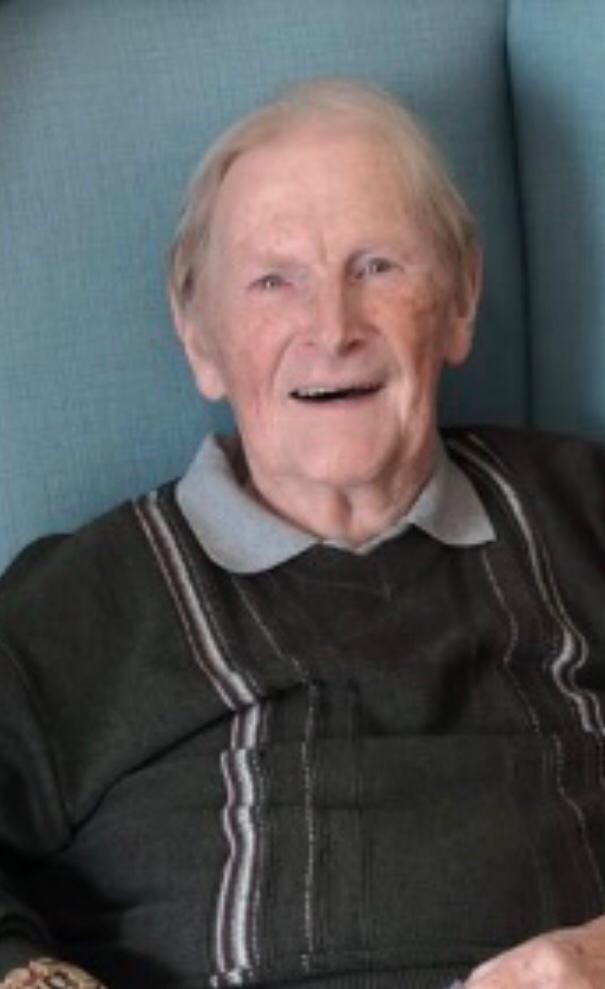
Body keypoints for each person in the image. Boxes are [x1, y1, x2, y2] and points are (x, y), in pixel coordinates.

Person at [1, 78, 605, 989]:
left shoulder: (580, 511)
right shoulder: (81, 603)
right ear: (198, 336)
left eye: (378, 267)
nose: (332, 327)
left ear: (460, 299)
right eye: (274, 281)